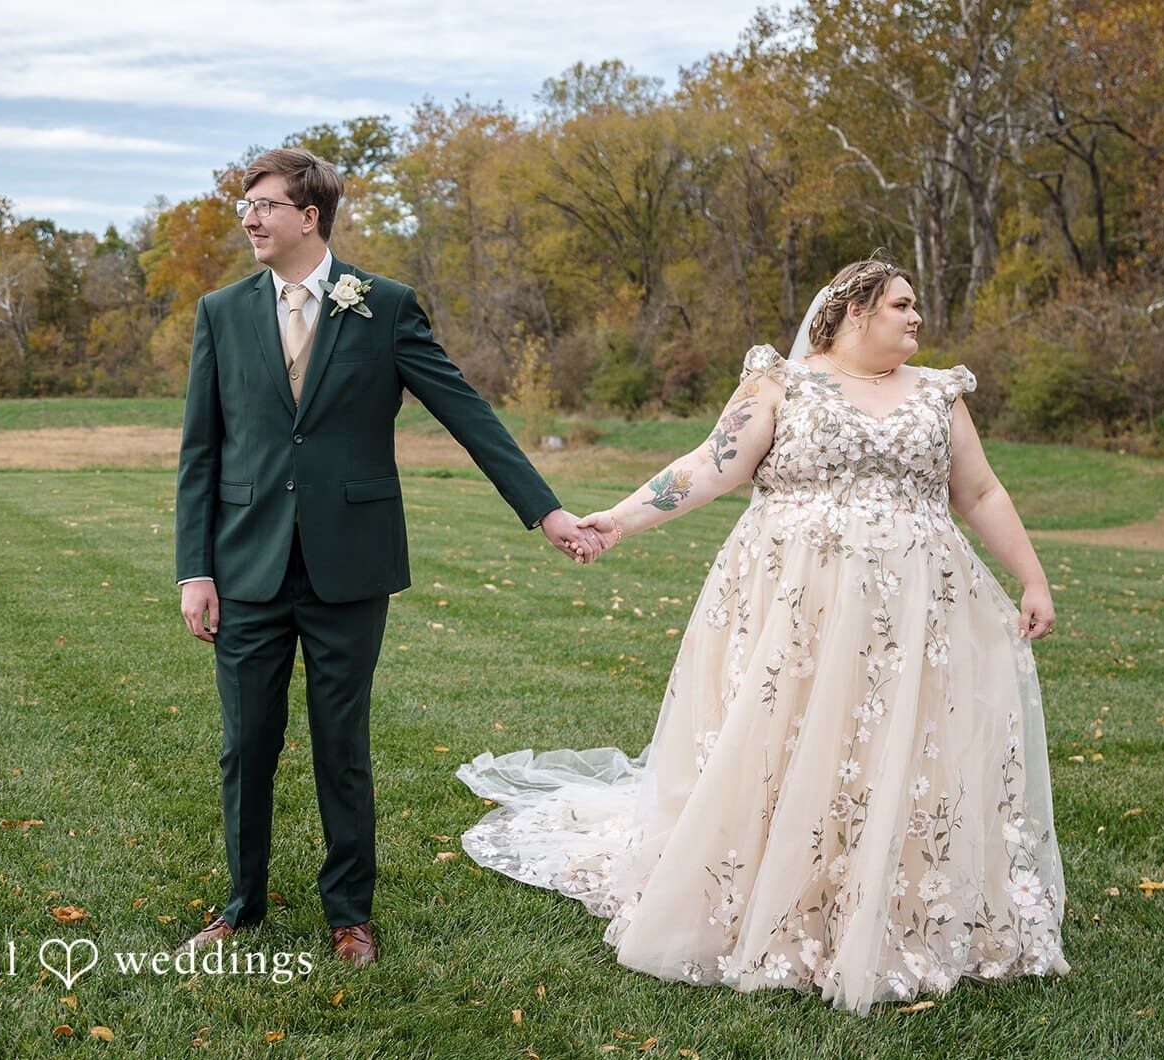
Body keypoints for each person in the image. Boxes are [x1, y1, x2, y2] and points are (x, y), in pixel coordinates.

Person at [457, 258, 1069, 1013]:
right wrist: (616, 520)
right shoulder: (781, 384)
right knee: (789, 740)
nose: (916, 318)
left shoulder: (940, 394)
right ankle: (779, 895)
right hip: (796, 603)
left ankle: (894, 899)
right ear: (853, 311)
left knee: (897, 744)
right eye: (901, 305)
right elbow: (707, 468)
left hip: (915, 608)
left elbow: (978, 491)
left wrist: (1032, 578)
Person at [175, 147, 601, 968]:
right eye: (246, 205)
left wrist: (544, 510)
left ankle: (349, 917)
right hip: (245, 565)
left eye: (265, 205)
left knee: (342, 744)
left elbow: (466, 413)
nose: (249, 218)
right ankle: (240, 906)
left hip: (350, 565)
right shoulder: (220, 312)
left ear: (309, 217)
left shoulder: (385, 305)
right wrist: (196, 569)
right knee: (245, 745)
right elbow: (201, 451)